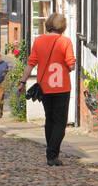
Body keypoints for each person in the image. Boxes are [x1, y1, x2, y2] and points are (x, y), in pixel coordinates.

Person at [24, 12, 76, 167]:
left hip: (44, 87)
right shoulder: (65, 41)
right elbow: (71, 65)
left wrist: (23, 81)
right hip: (62, 87)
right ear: (63, 26)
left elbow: (31, 63)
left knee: (50, 120)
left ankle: (51, 154)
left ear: (48, 24)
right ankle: (52, 154)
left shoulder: (39, 40)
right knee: (60, 122)